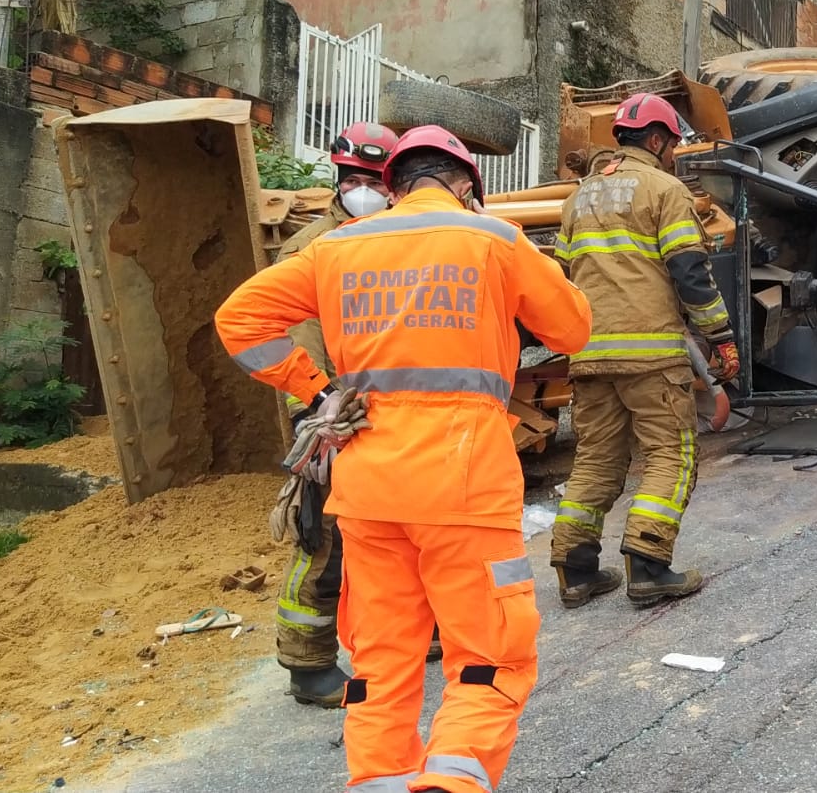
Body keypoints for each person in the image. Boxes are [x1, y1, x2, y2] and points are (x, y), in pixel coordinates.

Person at [215, 125, 593, 793]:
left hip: (366, 483)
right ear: (467, 184)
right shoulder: (493, 240)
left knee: (382, 658)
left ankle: (379, 781)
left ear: (390, 186)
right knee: (488, 657)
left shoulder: (338, 246)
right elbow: (571, 329)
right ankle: (451, 782)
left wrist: (316, 387)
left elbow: (238, 319)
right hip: (464, 483)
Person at [267, 121, 453, 709]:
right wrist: (321, 412)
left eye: (374, 179)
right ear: (336, 177)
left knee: (408, 533)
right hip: (333, 418)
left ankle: (416, 631)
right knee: (325, 543)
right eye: (353, 179)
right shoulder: (314, 249)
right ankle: (308, 663)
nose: (363, 190)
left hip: (397, 420)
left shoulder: (398, 241)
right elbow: (297, 346)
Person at [549, 93, 740, 609]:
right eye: (672, 144)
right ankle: (649, 565)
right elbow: (690, 273)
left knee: (596, 460)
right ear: (656, 140)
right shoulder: (664, 189)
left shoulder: (578, 199)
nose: (674, 153)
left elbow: (565, 279)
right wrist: (720, 338)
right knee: (669, 455)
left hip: (589, 357)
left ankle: (576, 570)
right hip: (651, 355)